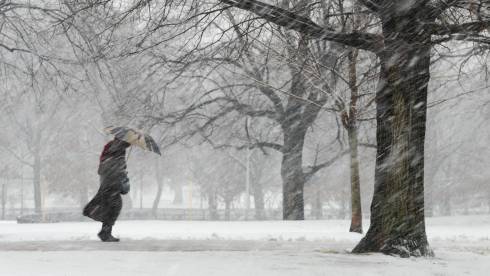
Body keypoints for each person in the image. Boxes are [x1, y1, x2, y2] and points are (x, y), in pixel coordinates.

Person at [83, 138, 131, 242]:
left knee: (112, 207)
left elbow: (105, 164)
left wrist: (121, 168)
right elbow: (113, 164)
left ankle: (105, 232)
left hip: (108, 182)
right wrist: (121, 169)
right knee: (114, 207)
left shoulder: (114, 147)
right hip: (111, 182)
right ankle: (105, 232)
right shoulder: (118, 148)